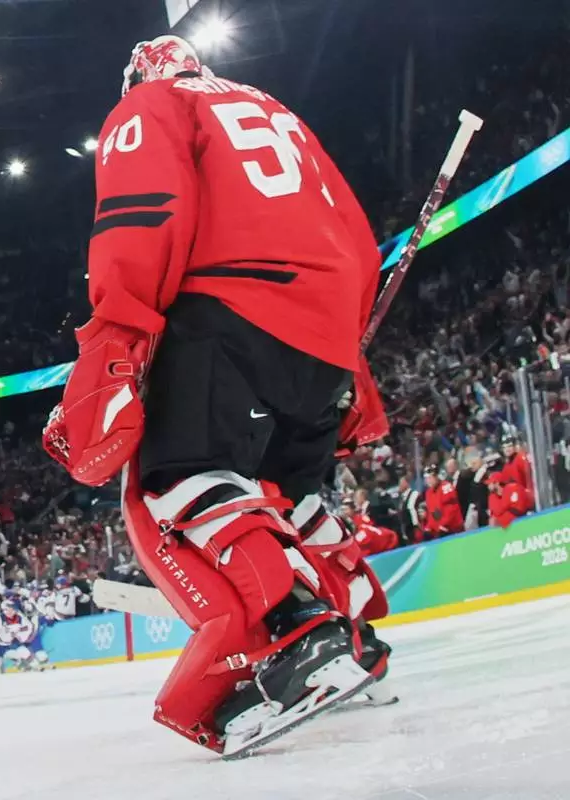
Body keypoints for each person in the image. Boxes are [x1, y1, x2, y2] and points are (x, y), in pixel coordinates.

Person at [41, 35, 390, 758]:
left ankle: (301, 632)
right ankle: (363, 637)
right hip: (326, 333)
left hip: (231, 310)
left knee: (183, 473)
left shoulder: (151, 104)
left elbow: (143, 217)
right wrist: (346, 345)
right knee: (292, 492)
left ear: (139, 74)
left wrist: (118, 338)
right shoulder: (277, 111)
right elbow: (354, 233)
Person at [423, 465, 465, 539]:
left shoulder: (446, 487)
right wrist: (429, 527)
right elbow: (432, 512)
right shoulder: (428, 493)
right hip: (440, 530)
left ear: (436, 476)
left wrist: (443, 525)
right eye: (426, 478)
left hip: (453, 529)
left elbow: (451, 510)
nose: (428, 481)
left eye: (430, 478)